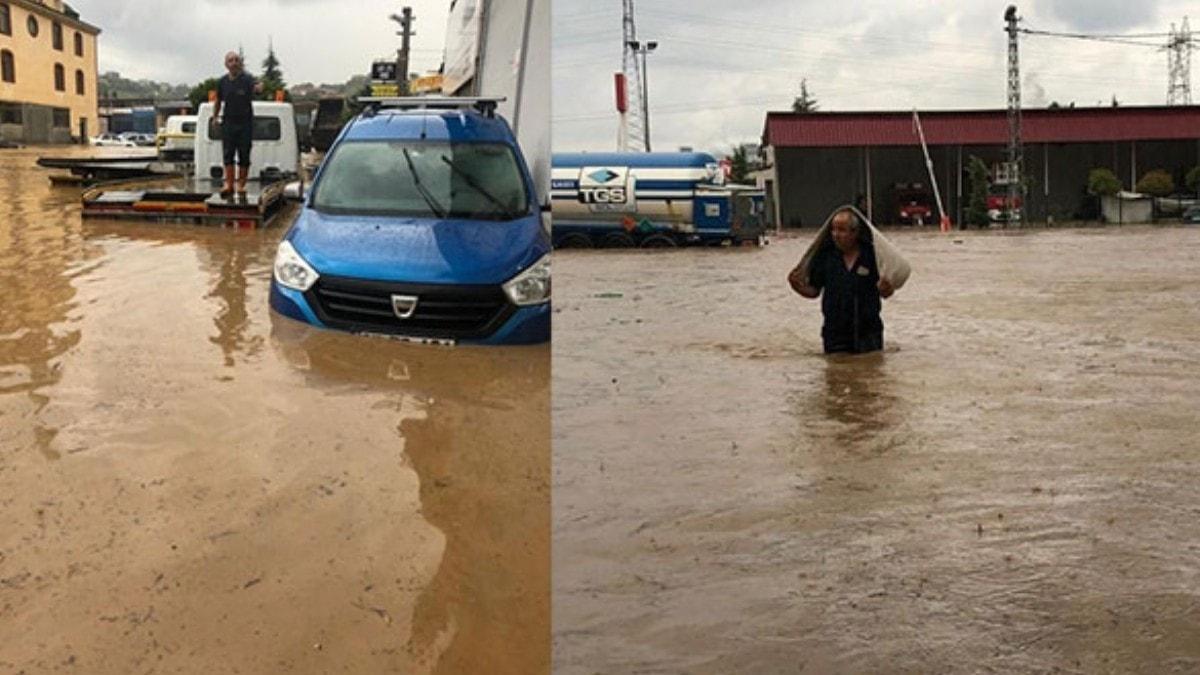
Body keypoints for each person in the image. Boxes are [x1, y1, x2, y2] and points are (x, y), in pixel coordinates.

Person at [789, 208, 895, 354]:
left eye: (841, 230)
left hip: (868, 333)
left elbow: (886, 292)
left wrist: (886, 288)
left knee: (871, 372)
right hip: (834, 334)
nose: (836, 235)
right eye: (833, 230)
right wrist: (796, 286)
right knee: (836, 374)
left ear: (855, 232)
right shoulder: (825, 256)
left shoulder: (872, 255)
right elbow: (814, 291)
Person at [212, 51, 261, 197]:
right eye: (230, 60)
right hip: (228, 122)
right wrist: (215, 117)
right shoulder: (222, 82)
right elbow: (218, 101)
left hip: (245, 123)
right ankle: (229, 184)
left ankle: (241, 185)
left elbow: (258, 86)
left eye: (236, 60)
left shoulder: (247, 79)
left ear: (240, 63)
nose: (233, 63)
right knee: (228, 153)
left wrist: (259, 87)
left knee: (244, 154)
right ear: (226, 64)